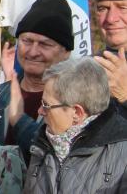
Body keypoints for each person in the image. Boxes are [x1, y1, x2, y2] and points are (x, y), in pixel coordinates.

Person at [0, 0, 74, 151]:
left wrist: (19, 120)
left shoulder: (74, 103)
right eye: (27, 41)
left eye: (45, 44)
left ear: (66, 52)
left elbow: (57, 153)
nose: (33, 52)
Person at [24, 57, 127, 192]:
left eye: (46, 105)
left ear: (77, 113)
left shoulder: (122, 154)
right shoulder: (42, 143)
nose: (40, 111)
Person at [89, 0, 127, 113]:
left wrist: (125, 95)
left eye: (123, 8)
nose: (110, 19)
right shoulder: (86, 68)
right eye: (102, 8)